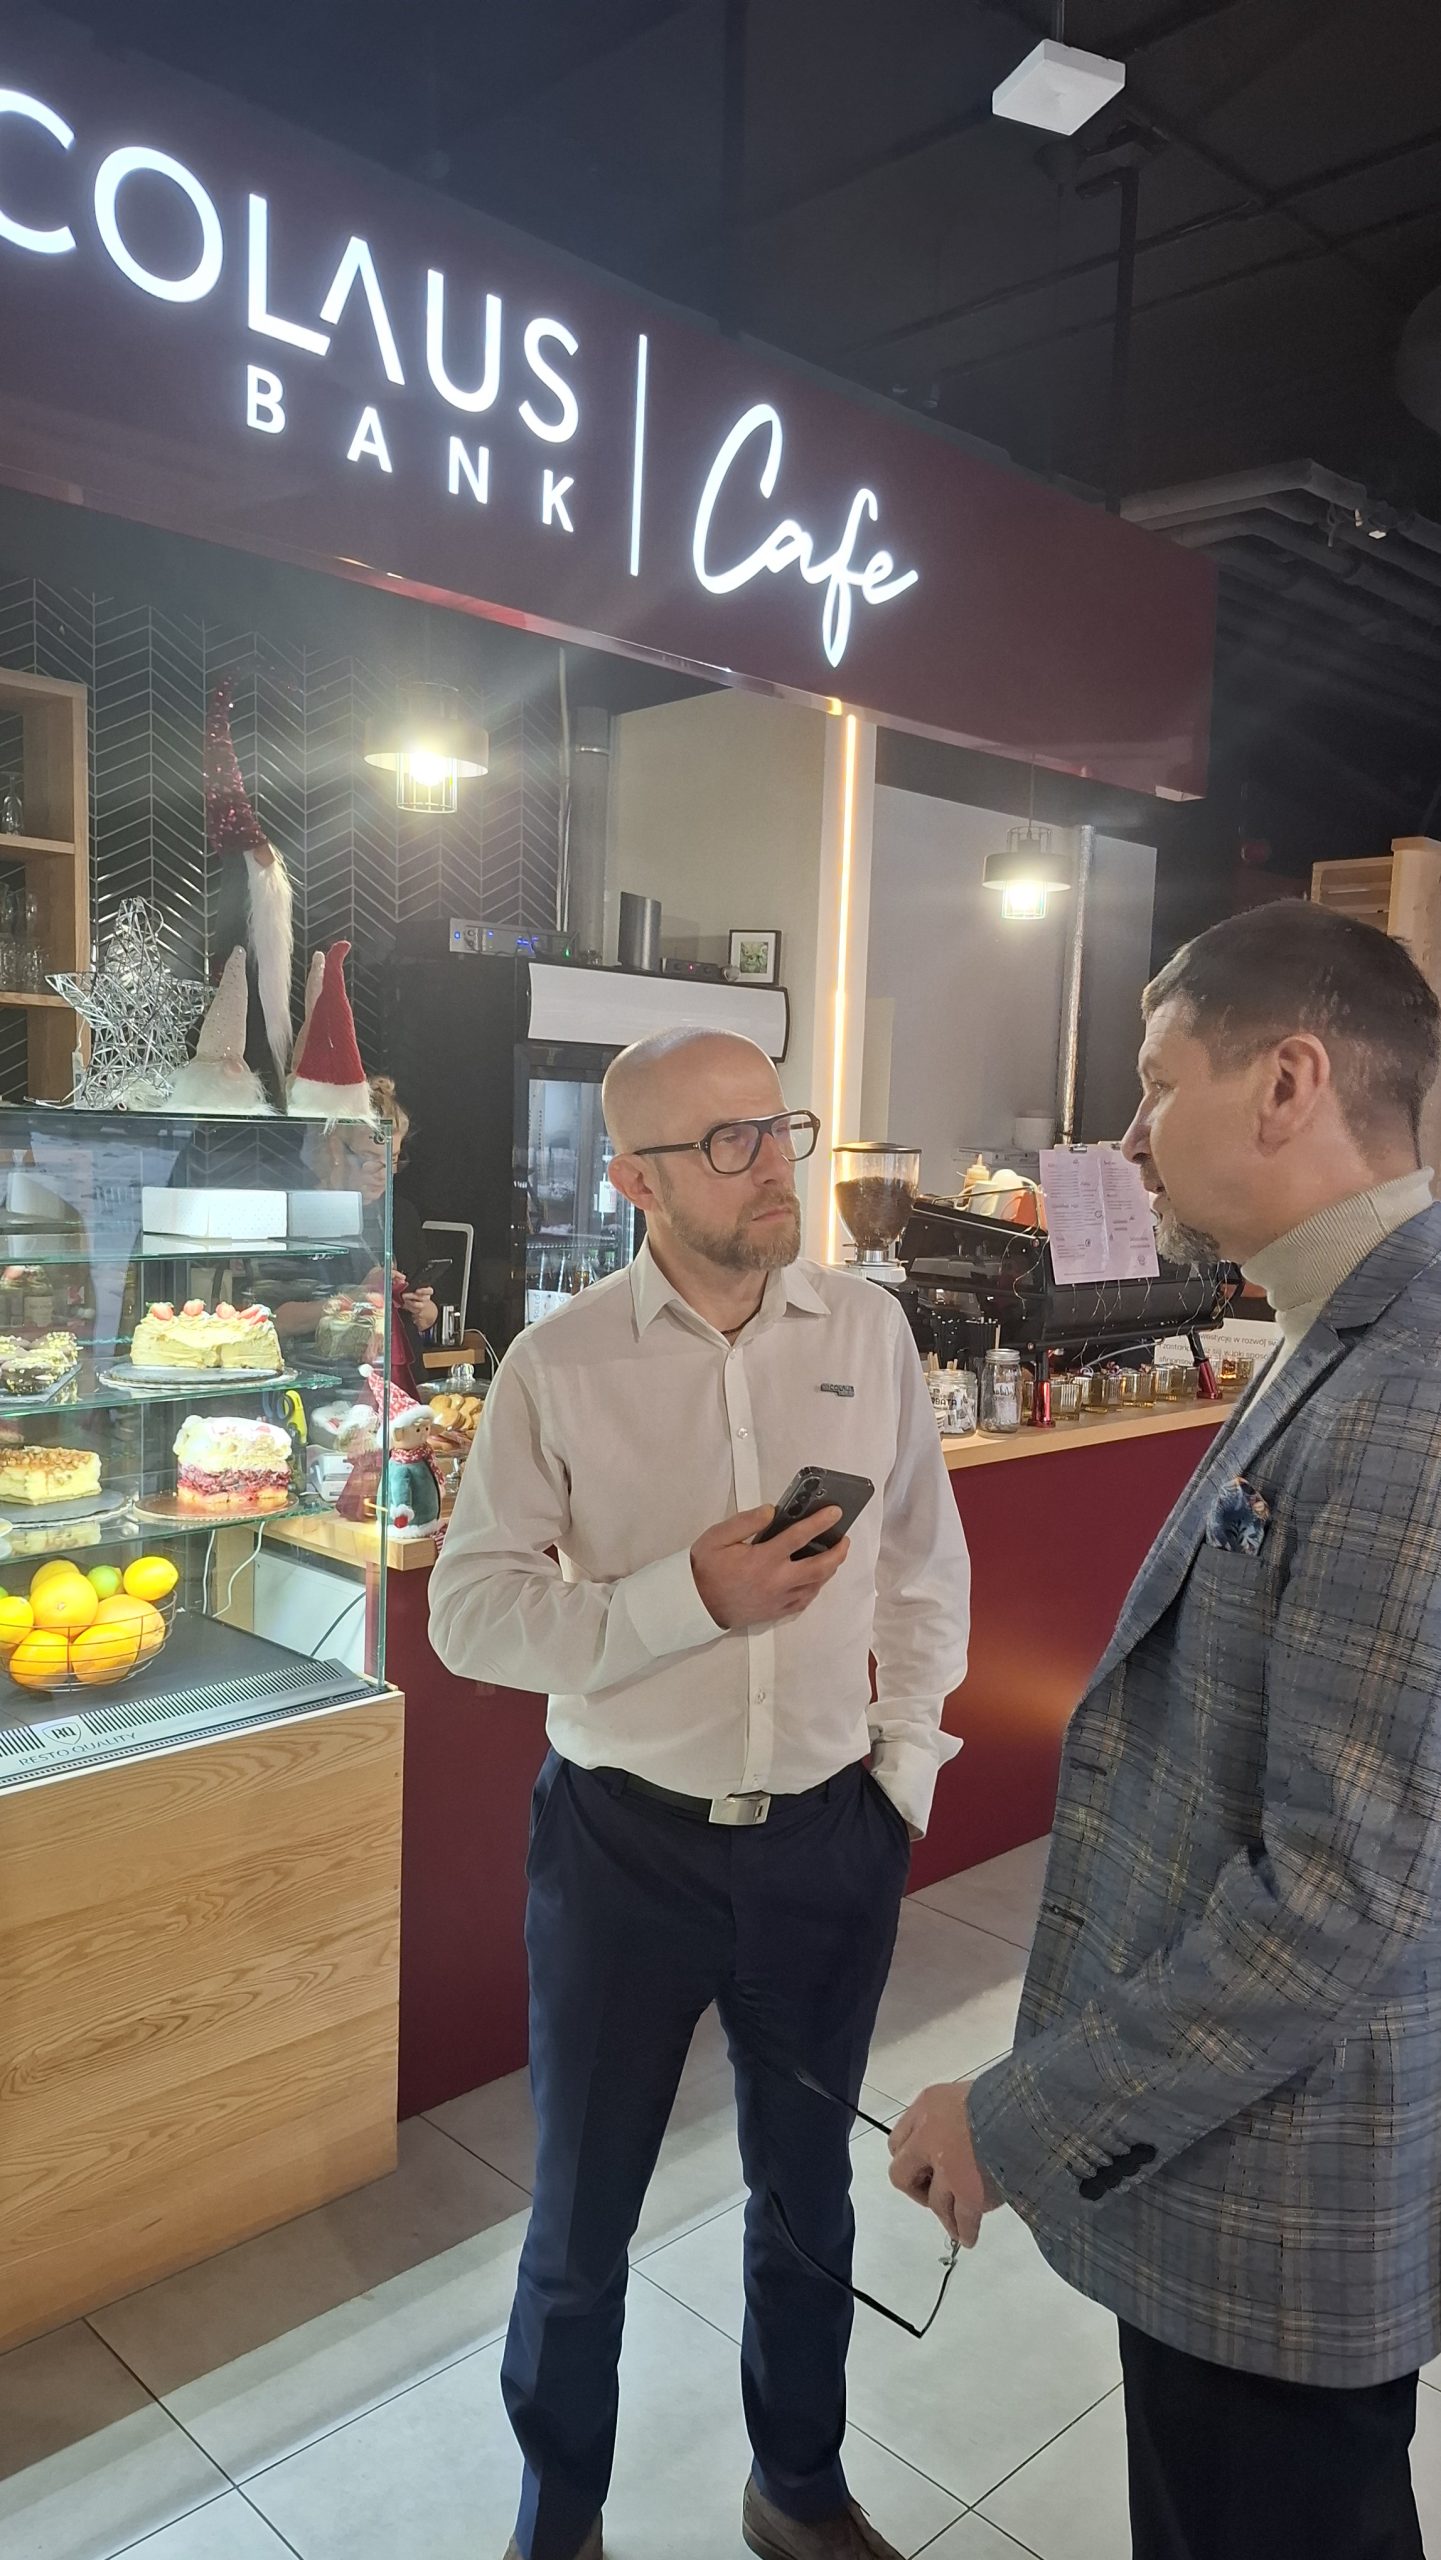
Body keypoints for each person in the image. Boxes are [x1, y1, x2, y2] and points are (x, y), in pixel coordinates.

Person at [887, 900, 1441, 2560]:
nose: (1127, 1134)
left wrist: (1021, 2116)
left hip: (1285, 2198)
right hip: (1234, 2157)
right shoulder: (1334, 1326)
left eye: (1154, 1081)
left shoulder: (1409, 1387)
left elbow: (1336, 1899)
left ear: (1287, 1082)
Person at [429, 1028, 970, 2560]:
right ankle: (559, 2522)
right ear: (634, 1181)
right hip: (623, 1853)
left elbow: (924, 1561)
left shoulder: (868, 1329)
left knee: (806, 2197)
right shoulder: (559, 1364)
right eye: (727, 1141)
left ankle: (797, 2489)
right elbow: (471, 1612)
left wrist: (903, 1770)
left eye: (779, 1125)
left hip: (826, 1840)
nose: (773, 1162)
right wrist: (686, 1599)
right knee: (579, 2225)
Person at [269, 1075, 437, 1391]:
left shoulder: (402, 1214)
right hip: (321, 1388)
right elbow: (277, 1321)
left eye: (392, 1160)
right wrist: (354, 1297)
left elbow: (427, 1318)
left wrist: (422, 1309)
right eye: (370, 1159)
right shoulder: (298, 1215)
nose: (383, 1174)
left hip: (395, 1391)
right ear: (333, 1147)